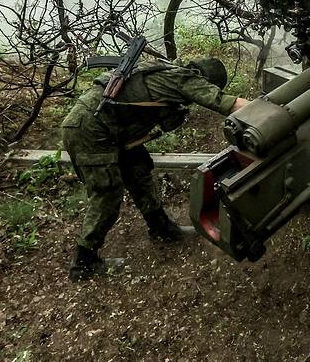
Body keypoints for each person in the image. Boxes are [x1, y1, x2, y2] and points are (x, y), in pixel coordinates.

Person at [60, 57, 250, 281]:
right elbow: (226, 103)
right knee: (107, 193)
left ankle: (161, 227)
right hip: (90, 130)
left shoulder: (166, 72)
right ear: (205, 78)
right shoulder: (183, 78)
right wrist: (268, 111)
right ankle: (84, 261)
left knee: (139, 173)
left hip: (112, 129)